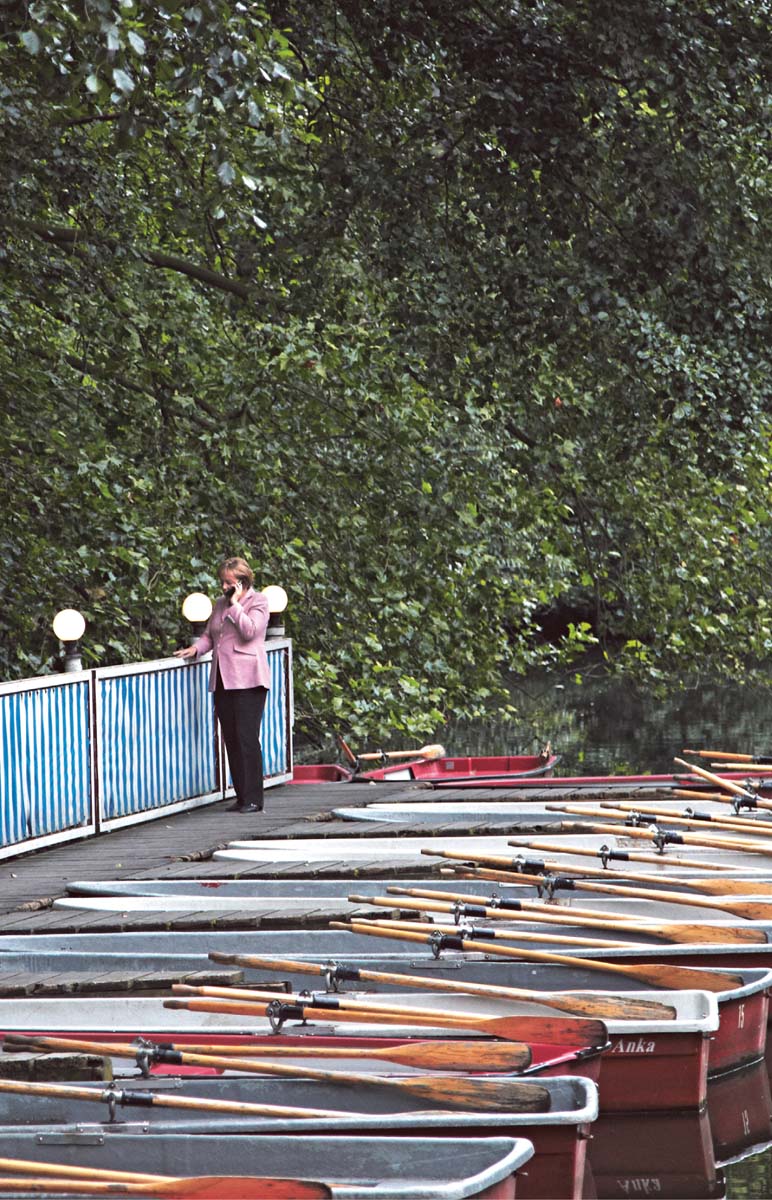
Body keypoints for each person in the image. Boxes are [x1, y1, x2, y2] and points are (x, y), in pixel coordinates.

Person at [175, 557, 270, 812]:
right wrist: (195, 649)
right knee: (230, 738)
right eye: (222, 582)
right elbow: (211, 635)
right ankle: (241, 796)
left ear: (241, 582)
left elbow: (250, 631)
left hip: (249, 679)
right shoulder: (218, 604)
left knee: (247, 737)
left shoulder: (258, 601)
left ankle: (253, 798)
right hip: (223, 678)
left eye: (228, 583)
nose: (223, 587)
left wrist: (236, 605)